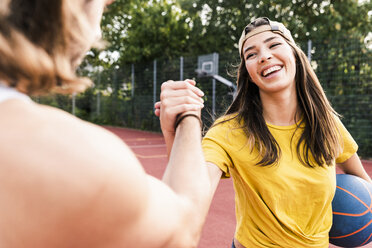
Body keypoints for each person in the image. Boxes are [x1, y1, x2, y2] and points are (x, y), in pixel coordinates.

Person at [0, 0, 213, 247]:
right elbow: (183, 226)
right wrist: (189, 115)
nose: (98, 32)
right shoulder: (74, 157)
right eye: (104, 5)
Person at [155, 17, 372, 248]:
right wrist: (177, 130)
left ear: (295, 54)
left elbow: (363, 185)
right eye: (251, 54)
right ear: (248, 72)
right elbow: (187, 206)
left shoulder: (326, 124)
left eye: (274, 45)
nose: (264, 56)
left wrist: (356, 219)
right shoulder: (229, 132)